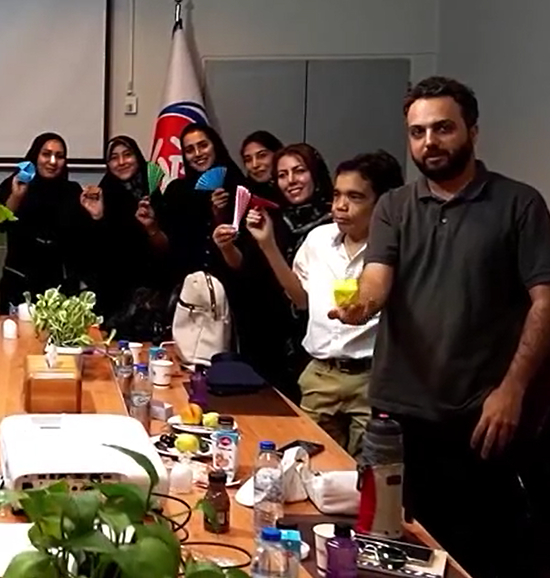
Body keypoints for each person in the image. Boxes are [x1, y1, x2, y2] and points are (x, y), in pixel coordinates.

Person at [331, 77, 550, 577]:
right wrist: (361, 307)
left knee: (471, 554)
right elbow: (377, 279)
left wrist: (512, 390)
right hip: (396, 415)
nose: (429, 142)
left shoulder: (519, 204)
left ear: (473, 131)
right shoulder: (394, 205)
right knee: (391, 548)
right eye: (417, 132)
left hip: (479, 416)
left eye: (442, 128)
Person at [245, 151, 404, 455]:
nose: (340, 206)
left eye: (355, 197)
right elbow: (300, 299)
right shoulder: (318, 239)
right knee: (307, 463)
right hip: (321, 373)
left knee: (365, 473)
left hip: (371, 378)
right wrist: (267, 245)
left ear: (382, 202)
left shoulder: (396, 247)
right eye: (337, 194)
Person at [214, 142, 333, 401]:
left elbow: (306, 301)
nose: (291, 181)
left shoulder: (336, 221)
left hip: (323, 339)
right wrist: (228, 246)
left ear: (316, 172)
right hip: (271, 333)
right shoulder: (273, 217)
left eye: (299, 171)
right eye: (282, 175)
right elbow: (247, 269)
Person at [79, 135, 172, 336]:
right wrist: (97, 217)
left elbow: (168, 251)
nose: (121, 162)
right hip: (113, 300)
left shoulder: (158, 195)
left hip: (153, 299)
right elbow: (94, 254)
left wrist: (151, 227)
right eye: (114, 157)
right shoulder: (102, 195)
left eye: (127, 155)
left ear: (138, 157)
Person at [0, 132, 97, 308]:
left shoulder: (73, 191)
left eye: (60, 156)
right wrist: (16, 198)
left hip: (60, 288)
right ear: (35, 156)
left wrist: (95, 215)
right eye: (46, 154)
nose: (53, 161)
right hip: (19, 283)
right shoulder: (15, 184)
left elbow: (86, 240)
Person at [160, 123, 246, 276]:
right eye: (189, 150)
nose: (198, 153)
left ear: (215, 146)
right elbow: (169, 246)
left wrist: (220, 214)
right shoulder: (176, 191)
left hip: (231, 283)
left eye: (203, 145)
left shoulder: (238, 187)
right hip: (187, 284)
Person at [239, 130, 284, 203]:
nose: (255, 165)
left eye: (262, 155)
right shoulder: (244, 197)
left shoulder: (292, 188)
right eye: (248, 159)